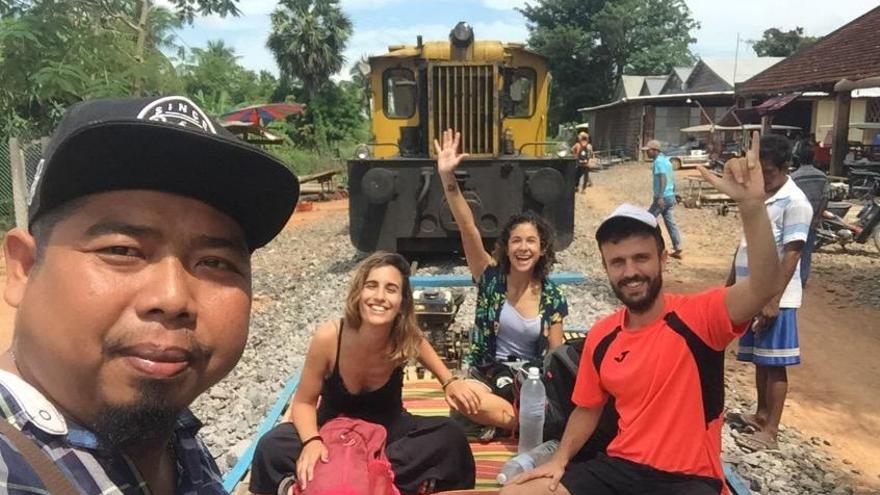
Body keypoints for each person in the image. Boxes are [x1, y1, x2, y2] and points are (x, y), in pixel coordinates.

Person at [0, 96, 300, 493]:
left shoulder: (171, 436)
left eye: (214, 262)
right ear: (23, 268)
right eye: (121, 251)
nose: (174, 298)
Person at [501, 132, 783, 495]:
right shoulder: (603, 336)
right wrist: (559, 459)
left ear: (662, 259)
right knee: (517, 493)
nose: (630, 271)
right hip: (620, 468)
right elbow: (587, 410)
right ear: (606, 269)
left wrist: (753, 207)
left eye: (641, 258)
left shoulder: (700, 317)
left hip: (688, 479)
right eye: (618, 262)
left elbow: (763, 285)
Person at [248, 252, 476, 495]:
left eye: (391, 289)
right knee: (271, 446)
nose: (379, 297)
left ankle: (315, 481)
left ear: (402, 302)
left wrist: (449, 381)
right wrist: (312, 442)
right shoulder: (329, 337)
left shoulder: (402, 336)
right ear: (358, 293)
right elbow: (304, 402)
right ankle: (384, 481)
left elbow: (420, 344)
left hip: (390, 437)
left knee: (450, 437)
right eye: (371, 286)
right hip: (332, 435)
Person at [435, 129, 568, 433]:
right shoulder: (490, 277)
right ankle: (519, 422)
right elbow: (467, 226)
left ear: (542, 248)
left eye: (531, 241)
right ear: (506, 247)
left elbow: (557, 357)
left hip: (529, 381)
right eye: (516, 241)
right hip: (484, 374)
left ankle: (507, 420)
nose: (523, 247)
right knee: (464, 399)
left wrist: (547, 392)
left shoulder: (552, 297)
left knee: (539, 406)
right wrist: (447, 178)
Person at [729, 134, 813, 452]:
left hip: (776, 297)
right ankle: (761, 414)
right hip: (752, 292)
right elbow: (744, 245)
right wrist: (730, 284)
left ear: (785, 167)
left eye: (769, 172)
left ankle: (771, 431)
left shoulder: (796, 203)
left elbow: (792, 254)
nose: (763, 178)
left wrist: (773, 299)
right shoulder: (762, 196)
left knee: (775, 362)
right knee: (761, 360)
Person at [790, 143, 827, 288]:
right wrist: (818, 217)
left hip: (796, 219)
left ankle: (791, 278)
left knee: (793, 250)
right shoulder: (822, 177)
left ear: (798, 158)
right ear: (814, 157)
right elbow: (825, 197)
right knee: (807, 251)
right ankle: (803, 279)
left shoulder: (794, 178)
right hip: (813, 219)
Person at [643, 139, 683, 259]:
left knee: (647, 220)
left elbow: (663, 179)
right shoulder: (667, 161)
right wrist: (674, 193)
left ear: (655, 150)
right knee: (670, 223)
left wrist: (660, 196)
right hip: (669, 196)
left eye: (648, 151)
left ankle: (651, 247)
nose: (647, 153)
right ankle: (678, 246)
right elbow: (672, 178)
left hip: (663, 197)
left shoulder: (658, 162)